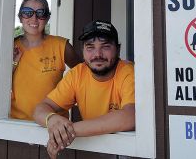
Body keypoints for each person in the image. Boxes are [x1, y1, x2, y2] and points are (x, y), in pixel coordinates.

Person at [33, 20, 135, 158]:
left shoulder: (127, 71)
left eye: (105, 46)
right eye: (90, 47)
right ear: (83, 51)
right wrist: (51, 120)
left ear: (118, 49)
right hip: (97, 150)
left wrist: (66, 131)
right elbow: (41, 108)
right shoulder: (77, 74)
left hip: (130, 150)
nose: (97, 54)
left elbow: (130, 117)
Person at [11, 0, 81, 120]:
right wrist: (12, 63)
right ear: (20, 17)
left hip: (54, 123)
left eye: (40, 13)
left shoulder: (61, 46)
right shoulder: (10, 47)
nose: (34, 18)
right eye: (27, 13)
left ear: (47, 17)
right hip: (17, 123)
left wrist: (70, 97)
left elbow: (84, 75)